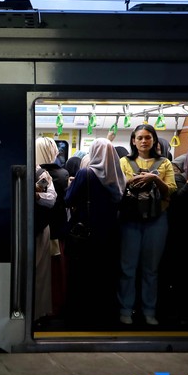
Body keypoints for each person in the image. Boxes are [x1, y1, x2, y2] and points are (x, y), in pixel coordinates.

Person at [117, 124, 177, 326]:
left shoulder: (165, 163)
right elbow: (116, 185)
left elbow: (170, 190)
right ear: (133, 140)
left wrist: (153, 178)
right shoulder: (124, 162)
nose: (144, 141)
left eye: (148, 137)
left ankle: (149, 310)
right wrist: (131, 180)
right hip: (129, 220)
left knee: (151, 269)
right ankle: (125, 309)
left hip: (157, 219)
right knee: (128, 267)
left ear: (154, 140)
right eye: (140, 138)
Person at [64, 138, 126, 325]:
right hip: (110, 232)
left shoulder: (86, 173)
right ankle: (104, 312)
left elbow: (68, 199)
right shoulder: (118, 174)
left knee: (83, 274)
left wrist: (70, 185)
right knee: (105, 273)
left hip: (86, 232)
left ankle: (82, 313)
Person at [159, 144, 188, 323]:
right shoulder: (179, 178)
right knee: (176, 274)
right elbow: (178, 203)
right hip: (175, 235)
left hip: (187, 235)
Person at [36, 137, 70, 316]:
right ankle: (51, 307)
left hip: (36, 225)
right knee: (52, 271)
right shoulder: (62, 174)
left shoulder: (33, 172)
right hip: (54, 227)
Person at [33, 140, 57, 322]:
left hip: (38, 227)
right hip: (37, 226)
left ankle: (37, 312)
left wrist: (36, 195)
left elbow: (51, 199)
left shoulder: (41, 173)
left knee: (39, 271)